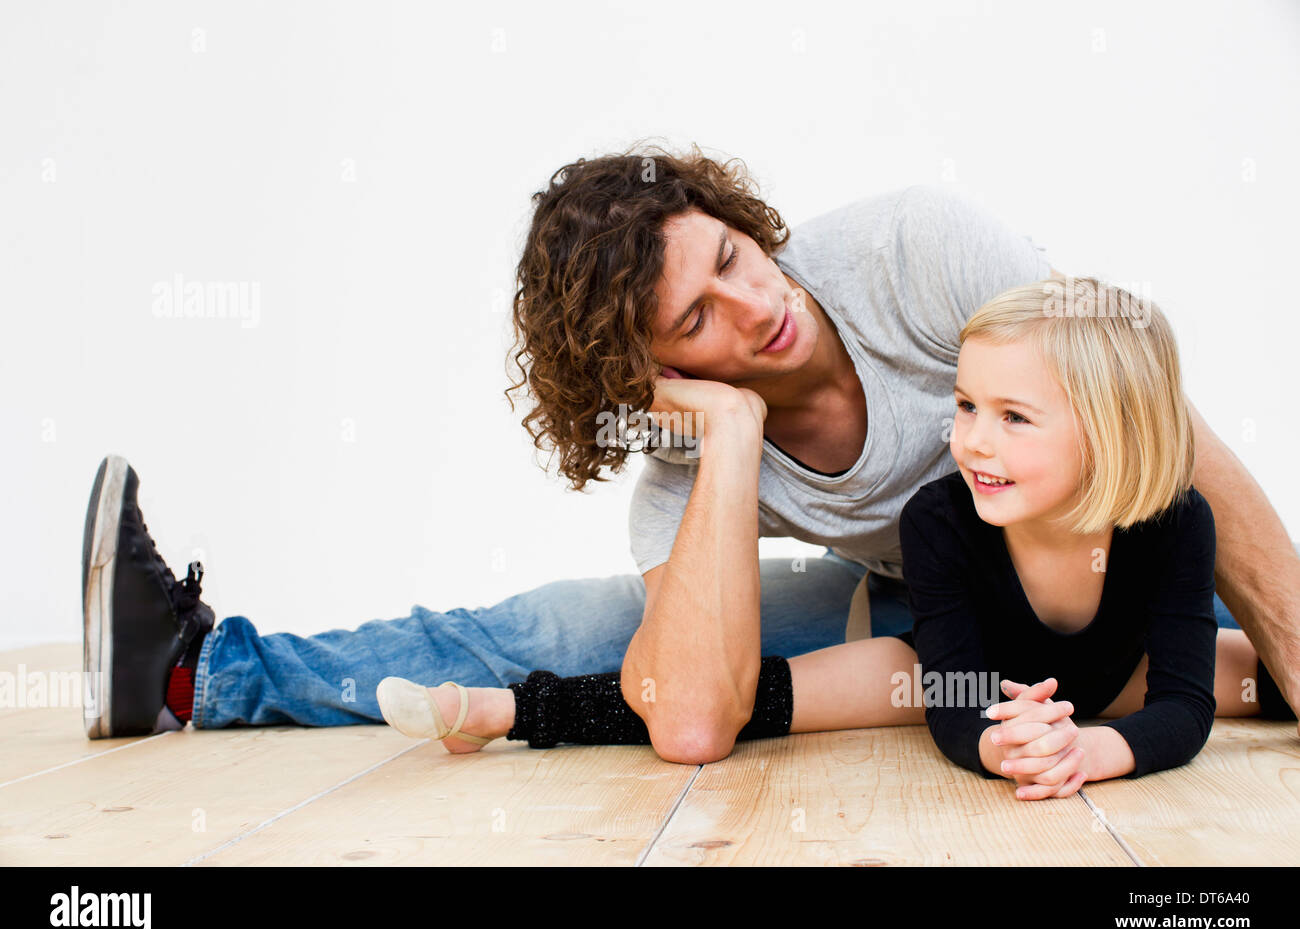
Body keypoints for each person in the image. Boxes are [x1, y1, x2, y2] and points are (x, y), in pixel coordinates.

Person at [80, 139, 1300, 742]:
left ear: (737, 215)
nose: (754, 306)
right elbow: (693, 718)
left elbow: (1163, 432)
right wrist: (726, 435)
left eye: (731, 257)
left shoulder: (915, 247)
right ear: (648, 369)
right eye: (696, 323)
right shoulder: (683, 458)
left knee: (1241, 674)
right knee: (553, 629)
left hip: (1087, 575)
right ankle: (196, 669)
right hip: (920, 609)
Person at [375, 277, 1296, 799]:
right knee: (765, 696)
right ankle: (506, 710)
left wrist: (1096, 749)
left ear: (1115, 429)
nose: (973, 438)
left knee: (1268, 676)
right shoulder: (941, 518)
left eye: (1014, 417)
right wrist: (995, 743)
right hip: (944, 666)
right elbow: (950, 697)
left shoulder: (1176, 523)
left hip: (1117, 672)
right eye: (966, 404)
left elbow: (1181, 706)